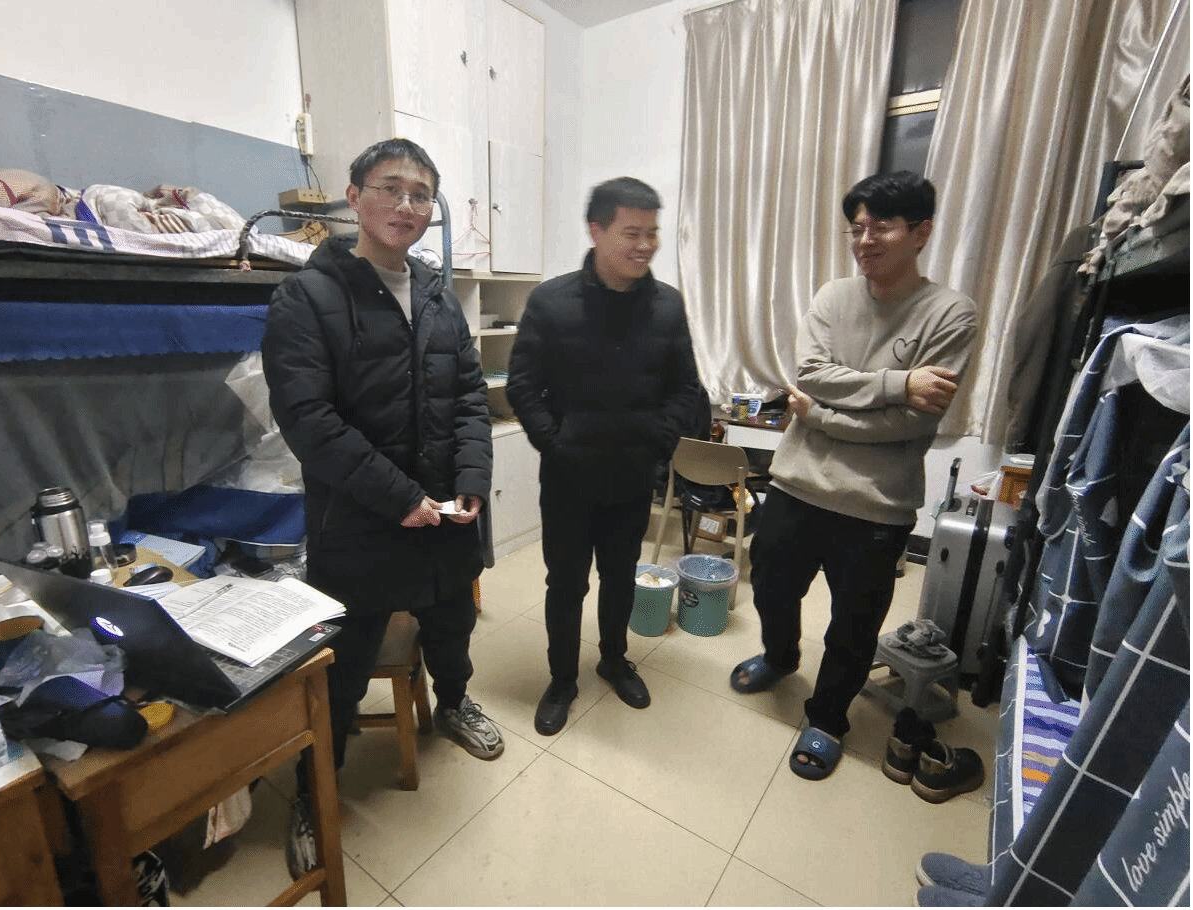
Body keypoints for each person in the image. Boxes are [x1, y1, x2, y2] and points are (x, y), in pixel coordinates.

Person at [261, 137, 503, 875]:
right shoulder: (308, 297)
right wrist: (400, 499)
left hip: (445, 514)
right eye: (391, 188)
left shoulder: (436, 294)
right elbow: (309, 422)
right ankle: (316, 787)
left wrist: (470, 478)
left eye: (421, 193)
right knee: (343, 664)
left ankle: (454, 702)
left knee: (452, 621)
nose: (407, 204)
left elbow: (469, 396)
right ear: (355, 196)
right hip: (360, 521)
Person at [729, 170, 976, 781]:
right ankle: (781, 656)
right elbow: (811, 375)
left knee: (853, 626)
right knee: (770, 587)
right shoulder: (833, 297)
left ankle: (827, 718)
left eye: (880, 227)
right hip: (796, 484)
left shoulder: (951, 313)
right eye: (856, 229)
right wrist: (898, 383)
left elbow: (913, 424)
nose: (864, 241)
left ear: (921, 232)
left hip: (875, 504)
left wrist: (821, 417)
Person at [507, 176, 701, 736]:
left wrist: (656, 443)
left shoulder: (667, 306)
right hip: (567, 480)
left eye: (652, 233)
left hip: (633, 477)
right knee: (566, 584)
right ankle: (561, 679)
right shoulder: (552, 301)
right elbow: (523, 385)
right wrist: (556, 443)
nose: (645, 245)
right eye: (632, 233)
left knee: (620, 578)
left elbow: (685, 388)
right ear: (596, 230)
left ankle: (614, 660)